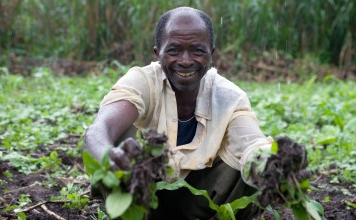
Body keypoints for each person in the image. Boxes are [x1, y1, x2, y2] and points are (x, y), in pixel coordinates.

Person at [84, 6, 276, 219]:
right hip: (141, 195)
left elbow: (251, 143)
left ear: (211, 54)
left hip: (203, 203)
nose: (185, 61)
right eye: (174, 50)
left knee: (250, 168)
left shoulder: (229, 96)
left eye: (197, 50)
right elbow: (99, 129)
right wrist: (108, 156)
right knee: (119, 139)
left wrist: (277, 166)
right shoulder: (142, 82)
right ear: (157, 53)